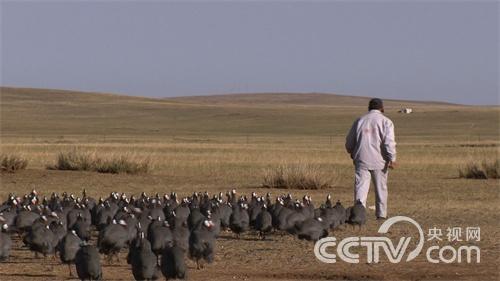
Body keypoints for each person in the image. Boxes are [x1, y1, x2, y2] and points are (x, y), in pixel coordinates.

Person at [345, 98, 396, 220]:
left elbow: (349, 141)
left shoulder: (360, 120)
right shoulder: (386, 122)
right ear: (382, 108)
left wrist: (351, 151)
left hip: (361, 159)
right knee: (381, 188)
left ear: (369, 107)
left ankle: (359, 214)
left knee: (360, 187)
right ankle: (381, 214)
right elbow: (389, 142)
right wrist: (392, 158)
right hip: (380, 160)